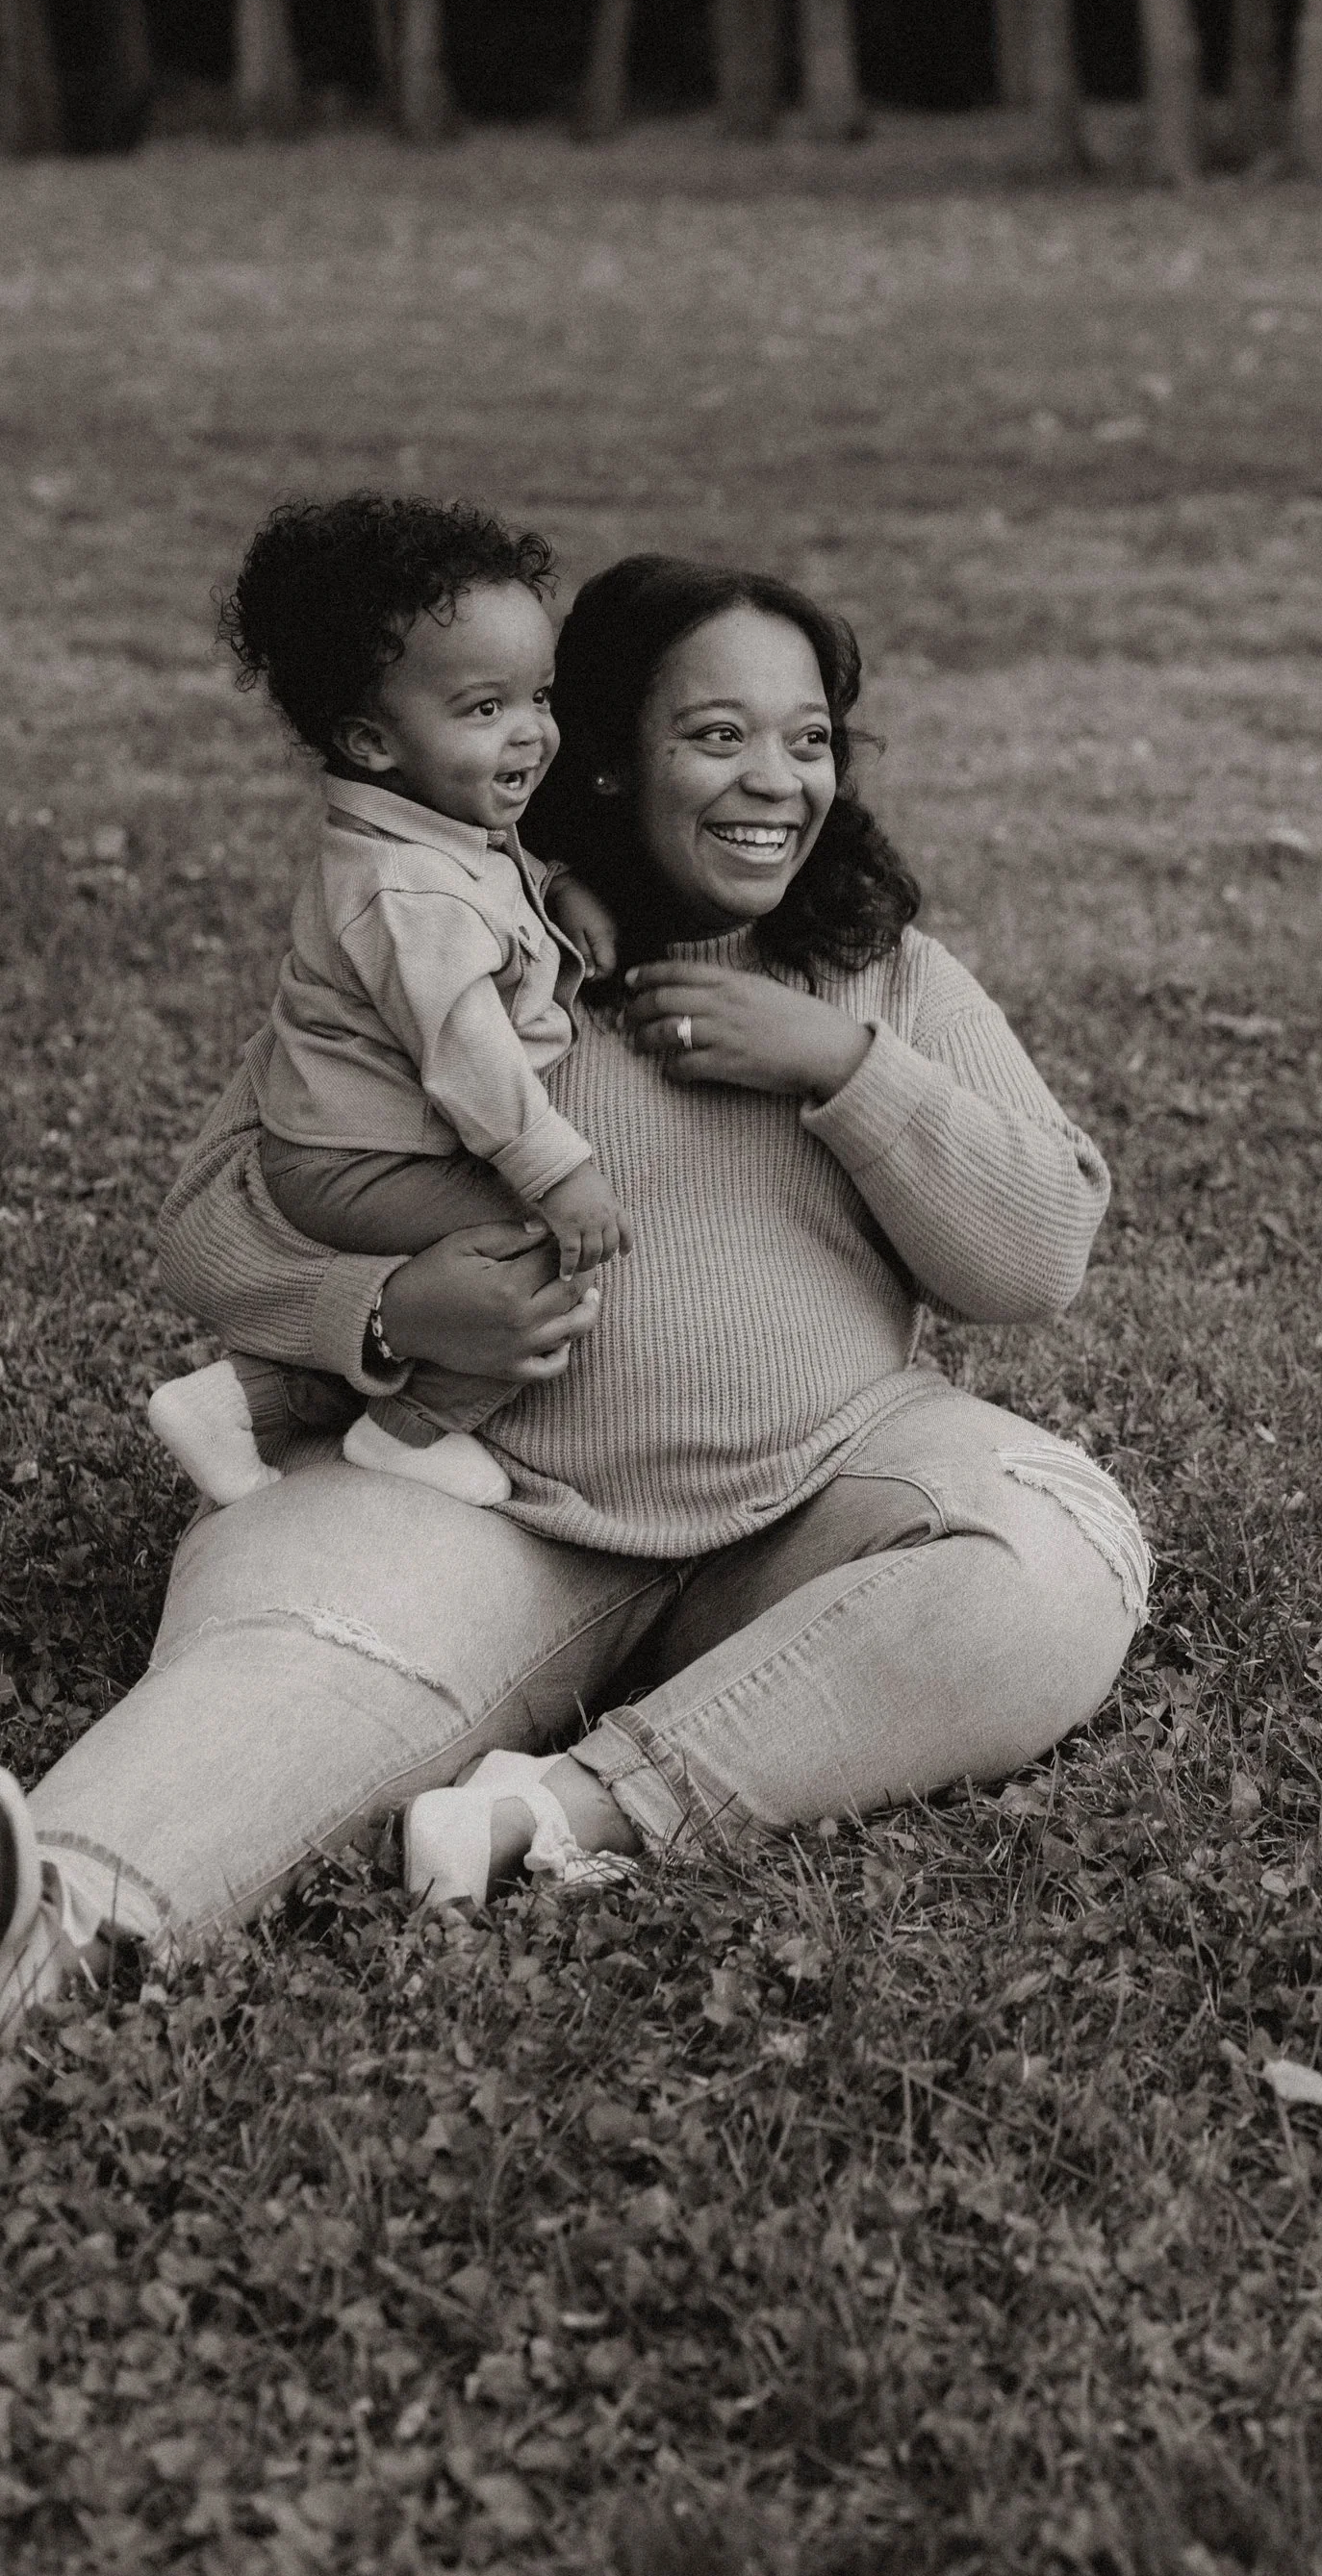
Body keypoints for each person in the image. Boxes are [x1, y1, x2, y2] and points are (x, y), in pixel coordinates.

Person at [0, 555, 1147, 2035]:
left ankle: (563, 1810)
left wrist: (839, 1065)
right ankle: (56, 1926)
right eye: (717, 735)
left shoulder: (882, 975)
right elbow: (212, 1223)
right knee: (299, 1661)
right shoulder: (445, 934)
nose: (776, 782)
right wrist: (396, 1304)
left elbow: (1037, 1258)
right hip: (475, 1507)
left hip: (815, 1491)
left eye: (809, 740)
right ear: (601, 747)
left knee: (1047, 1559)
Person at [144, 496, 627, 1516]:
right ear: (370, 738)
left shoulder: (417, 831)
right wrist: (561, 1174)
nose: (532, 733)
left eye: (538, 696)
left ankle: (239, 1401)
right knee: (543, 1261)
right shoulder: (410, 896)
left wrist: (557, 888)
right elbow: (466, 1053)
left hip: (349, 1143)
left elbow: (488, 884)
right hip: (361, 1162)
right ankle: (407, 1435)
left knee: (487, 1272)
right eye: (484, 709)